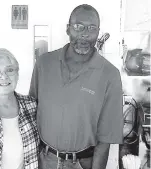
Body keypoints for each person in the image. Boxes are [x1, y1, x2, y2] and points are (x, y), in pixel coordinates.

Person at [29, 4, 123, 169]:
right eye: (78, 26)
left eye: (92, 28)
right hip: (44, 160)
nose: (85, 34)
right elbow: (30, 114)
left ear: (98, 32)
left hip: (82, 163)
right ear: (68, 29)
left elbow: (106, 137)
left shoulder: (110, 74)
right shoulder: (44, 64)